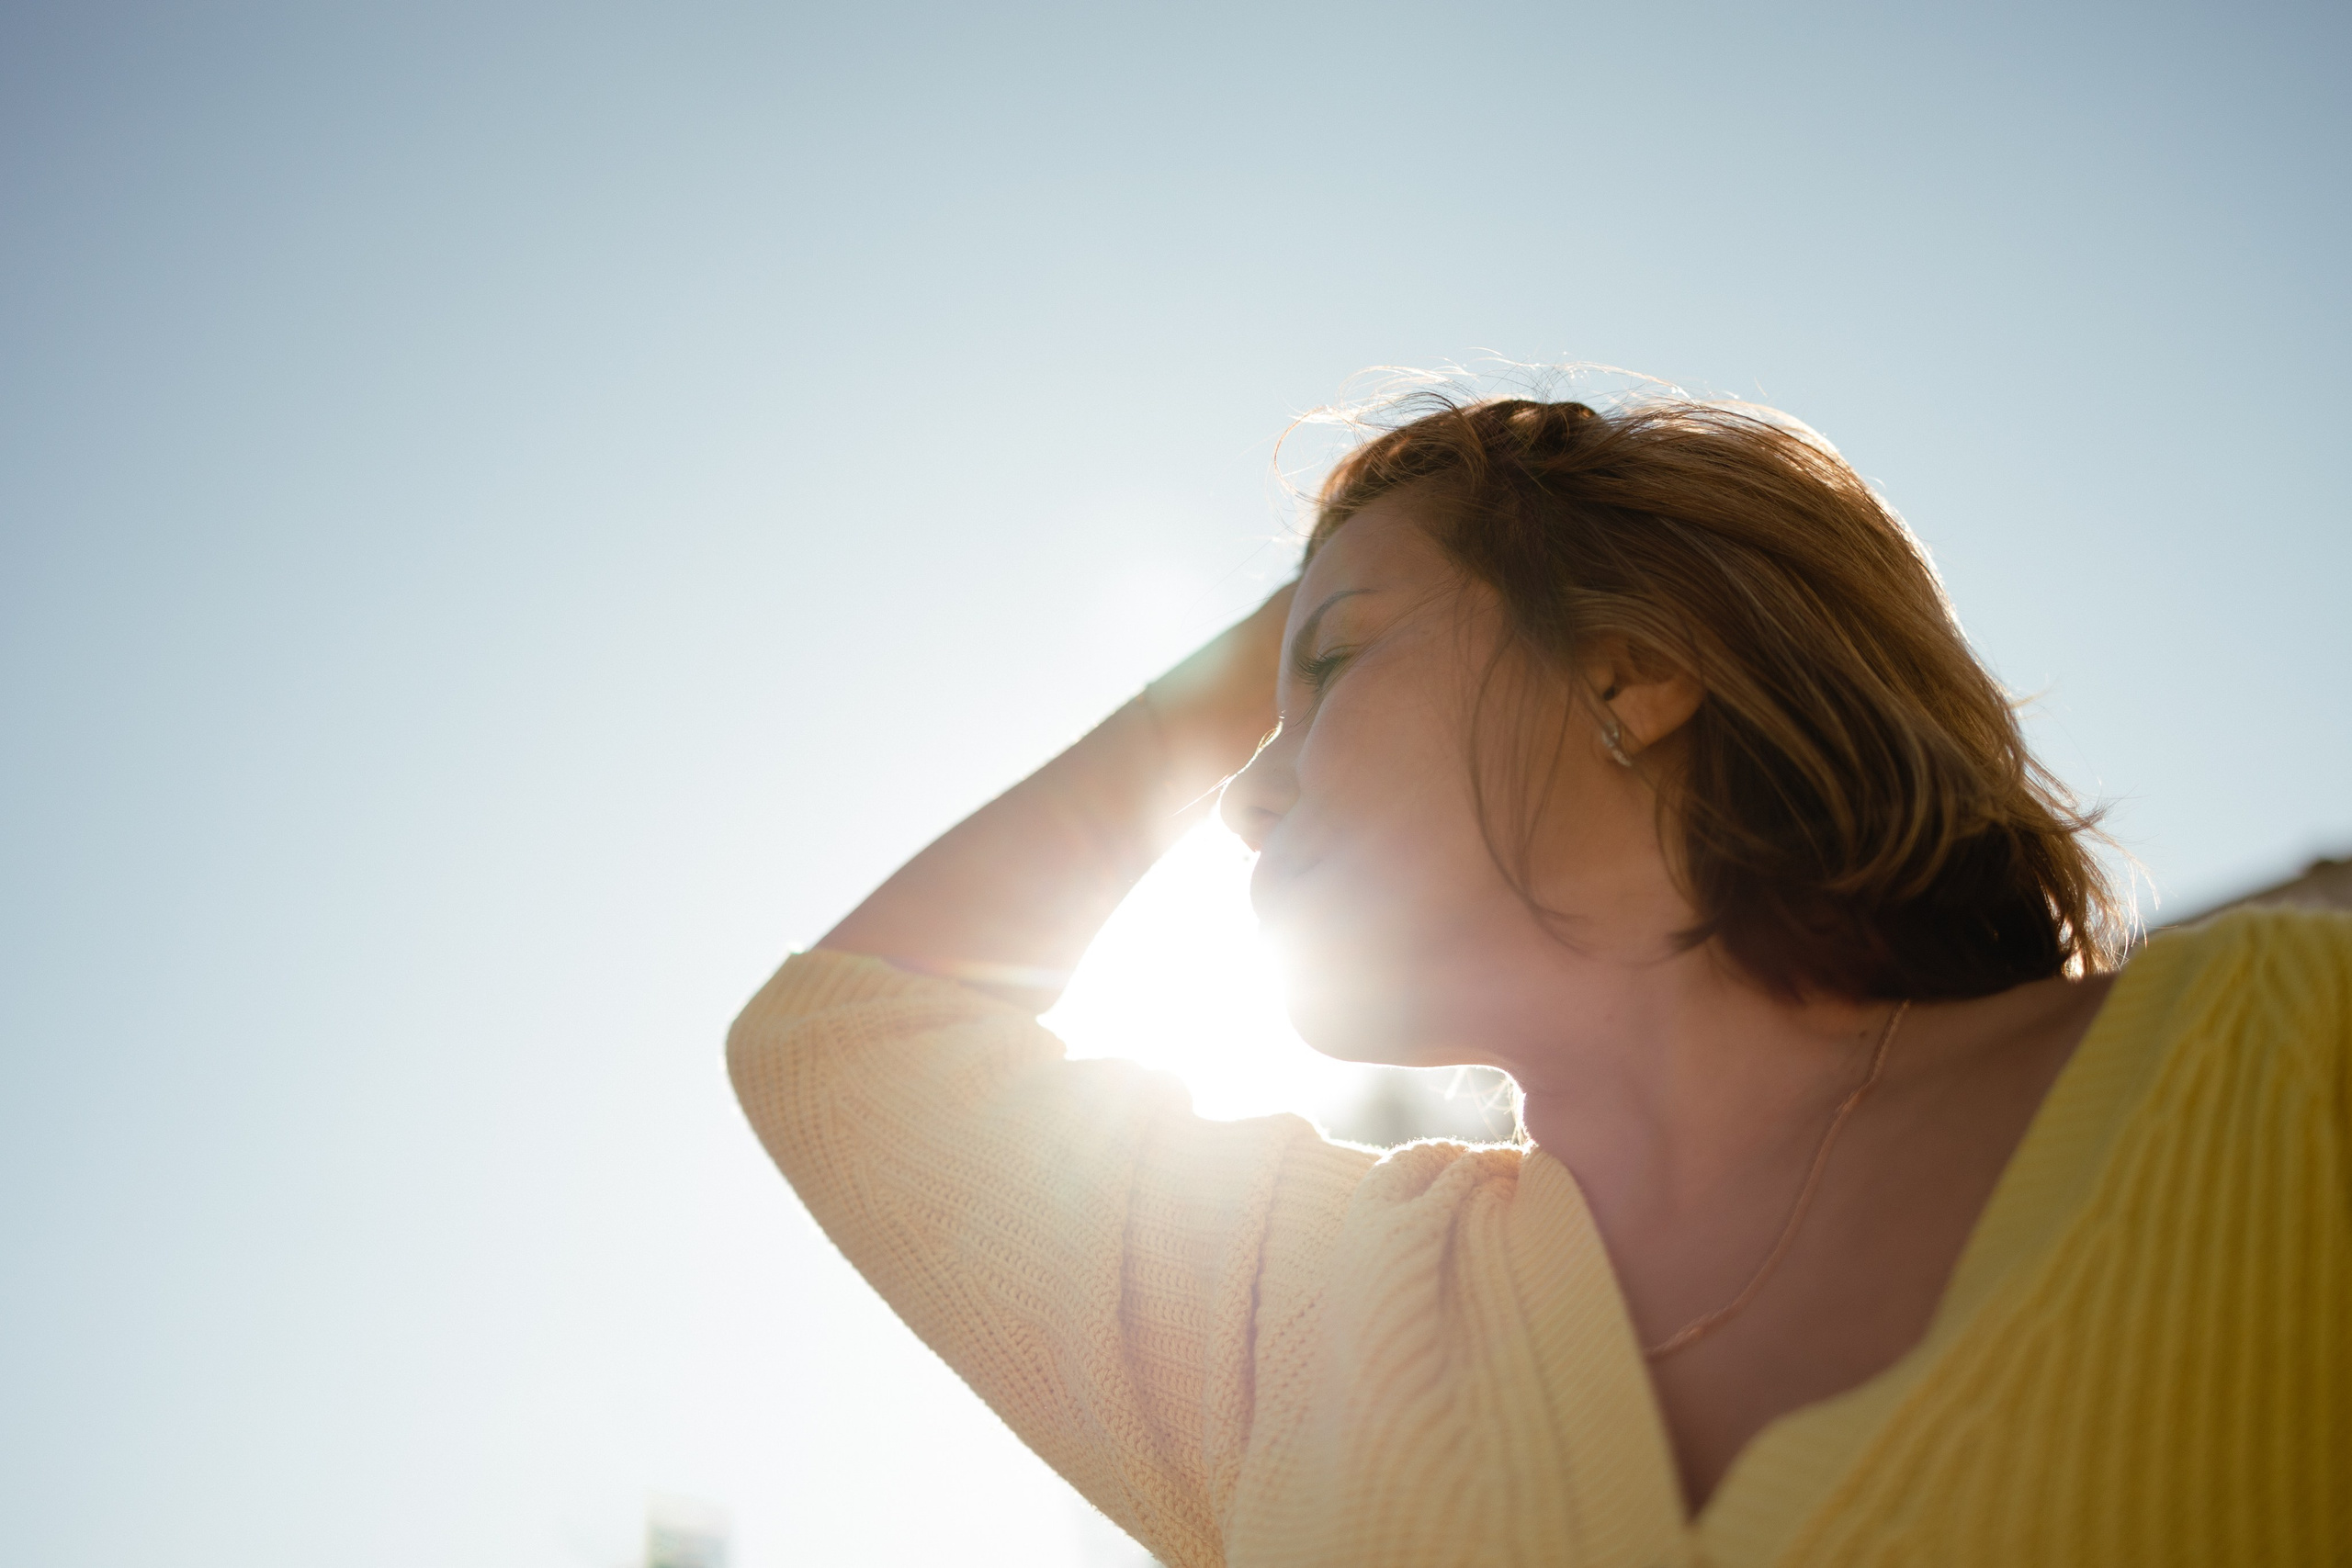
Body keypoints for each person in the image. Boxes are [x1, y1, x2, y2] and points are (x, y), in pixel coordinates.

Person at [728, 392, 2350, 1567]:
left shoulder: (2287, 1056)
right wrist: (1293, 641)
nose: (1236, 789)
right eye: (1251, 716)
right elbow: (852, 1044)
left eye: (1340, 665)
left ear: (1637, 670)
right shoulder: (1316, 1317)